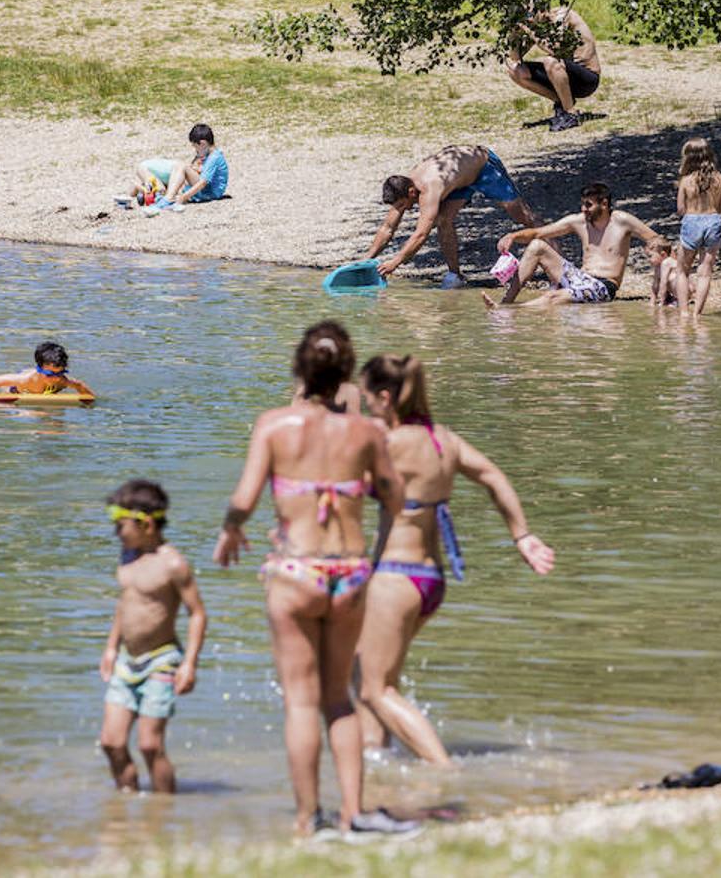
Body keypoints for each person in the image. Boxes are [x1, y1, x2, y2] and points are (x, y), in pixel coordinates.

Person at [211, 321, 418, 839]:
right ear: (347, 374)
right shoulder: (368, 432)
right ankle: (355, 814)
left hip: (295, 570)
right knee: (338, 699)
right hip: (348, 572)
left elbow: (244, 496)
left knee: (301, 701)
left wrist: (232, 531)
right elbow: (396, 498)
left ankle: (309, 820)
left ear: (299, 370)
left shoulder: (274, 425)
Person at [353, 354, 554, 766]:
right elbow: (493, 476)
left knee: (377, 690)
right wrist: (522, 534)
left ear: (386, 398)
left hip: (394, 578)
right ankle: (374, 760)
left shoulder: (388, 444)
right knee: (368, 675)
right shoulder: (443, 441)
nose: (365, 406)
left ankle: (442, 771)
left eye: (367, 398)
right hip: (430, 579)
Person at [99, 479, 207, 793]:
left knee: (149, 745)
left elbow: (197, 613)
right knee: (111, 742)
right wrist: (110, 647)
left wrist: (189, 664)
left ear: (146, 524)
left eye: (121, 526)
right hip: (125, 661)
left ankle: (163, 810)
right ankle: (127, 803)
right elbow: (126, 604)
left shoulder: (172, 564)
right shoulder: (127, 555)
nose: (116, 533)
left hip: (162, 661)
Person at [369, 145, 543, 288]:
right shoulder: (401, 188)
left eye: (402, 205)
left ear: (411, 192)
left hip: (483, 166)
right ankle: (455, 275)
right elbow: (387, 228)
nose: (402, 209)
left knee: (523, 216)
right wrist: (366, 259)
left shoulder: (429, 190)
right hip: (459, 179)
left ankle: (558, 260)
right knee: (444, 220)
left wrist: (395, 262)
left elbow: (421, 234)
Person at [482, 182, 661, 308]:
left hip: (603, 286)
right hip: (579, 277)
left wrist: (671, 270)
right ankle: (507, 303)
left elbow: (655, 239)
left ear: (604, 204)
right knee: (537, 246)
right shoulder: (579, 221)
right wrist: (513, 236)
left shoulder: (622, 221)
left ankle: (508, 311)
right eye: (583, 204)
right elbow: (539, 232)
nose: (584, 209)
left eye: (588, 205)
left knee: (552, 297)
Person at [505, 4, 601, 132]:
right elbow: (515, 57)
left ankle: (571, 114)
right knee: (515, 70)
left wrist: (529, 31)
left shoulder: (562, 15)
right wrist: (514, 34)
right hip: (564, 78)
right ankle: (563, 102)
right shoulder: (539, 27)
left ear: (541, 10)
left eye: (528, 15)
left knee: (550, 61)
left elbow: (554, 48)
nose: (528, 20)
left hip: (586, 79)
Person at [675, 138, 721, 317]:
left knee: (682, 269)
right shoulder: (720, 179)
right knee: (705, 271)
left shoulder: (686, 181)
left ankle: (684, 313)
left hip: (692, 220)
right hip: (713, 221)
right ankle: (697, 314)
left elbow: (680, 209)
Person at [141, 123, 229, 215]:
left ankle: (167, 199)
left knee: (181, 166)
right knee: (177, 178)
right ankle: (164, 197)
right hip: (208, 190)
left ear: (202, 143)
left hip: (210, 192)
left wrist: (184, 197)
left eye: (196, 147)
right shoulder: (210, 155)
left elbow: (203, 182)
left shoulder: (214, 157)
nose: (196, 150)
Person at [0, 342, 96, 398]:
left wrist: (89, 401)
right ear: (40, 369)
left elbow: (80, 386)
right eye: (50, 374)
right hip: (17, 391)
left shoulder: (62, 381)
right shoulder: (24, 380)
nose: (56, 378)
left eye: (60, 372)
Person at [647, 237, 689, 310]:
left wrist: (661, 303)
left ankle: (680, 299)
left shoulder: (666, 263)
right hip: (675, 293)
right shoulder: (658, 266)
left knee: (669, 280)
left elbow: (664, 283)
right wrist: (652, 301)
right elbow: (655, 285)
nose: (648, 260)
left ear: (663, 254)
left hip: (686, 291)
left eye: (650, 256)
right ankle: (672, 299)